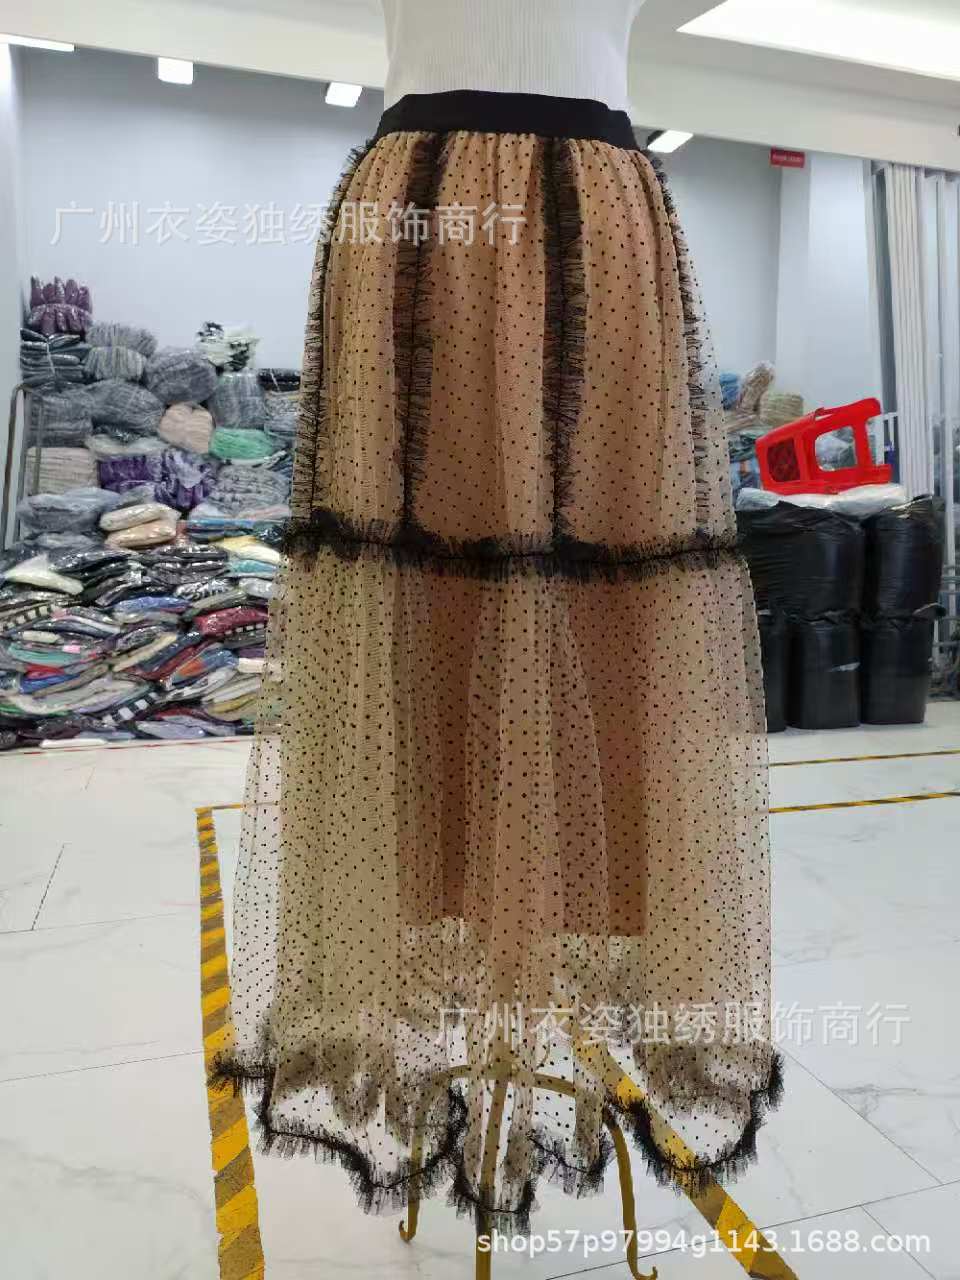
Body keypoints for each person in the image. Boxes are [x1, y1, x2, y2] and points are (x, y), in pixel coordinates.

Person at [218, 0, 779, 1233]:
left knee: (608, 590)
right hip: (415, 223)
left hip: (597, 231)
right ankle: (439, 906)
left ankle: (566, 922)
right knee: (409, 594)